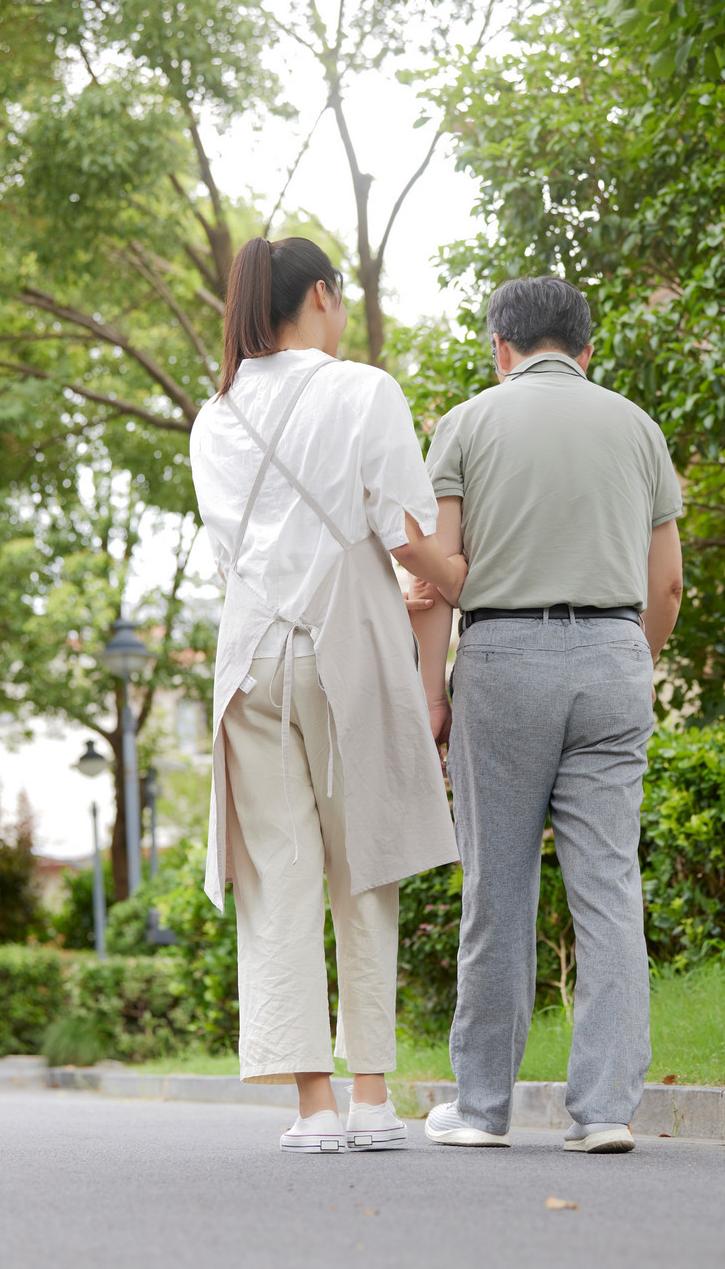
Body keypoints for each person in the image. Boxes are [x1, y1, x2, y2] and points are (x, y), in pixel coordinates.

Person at [190, 236, 464, 1154]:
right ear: (320, 295)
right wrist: (447, 578)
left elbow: (236, 556)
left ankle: (311, 1107)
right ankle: (374, 1098)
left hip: (249, 658)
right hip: (344, 641)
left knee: (281, 874)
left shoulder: (213, 416)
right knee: (366, 862)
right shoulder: (363, 390)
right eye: (339, 300)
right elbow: (407, 529)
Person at [408, 276, 685, 1155]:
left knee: (497, 891)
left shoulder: (467, 423)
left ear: (501, 348)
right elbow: (668, 585)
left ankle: (483, 1108)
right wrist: (630, 661)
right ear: (587, 350)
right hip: (614, 656)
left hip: (504, 659)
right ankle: (605, 1109)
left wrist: (433, 693)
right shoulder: (639, 427)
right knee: (610, 890)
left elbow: (438, 575)